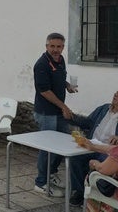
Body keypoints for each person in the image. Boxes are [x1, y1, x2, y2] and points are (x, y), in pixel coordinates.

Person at [68, 86, 118, 206]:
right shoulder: (103, 108)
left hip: (109, 151)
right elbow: (88, 122)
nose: (115, 94)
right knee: (75, 158)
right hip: (92, 145)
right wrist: (72, 117)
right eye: (116, 92)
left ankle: (99, 195)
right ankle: (80, 192)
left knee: (101, 164)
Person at [33, 32, 77, 197]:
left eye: (59, 46)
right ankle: (41, 182)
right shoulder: (41, 64)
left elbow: (59, 77)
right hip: (46, 113)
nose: (56, 50)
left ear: (63, 47)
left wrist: (67, 86)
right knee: (47, 149)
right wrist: (64, 106)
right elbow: (44, 90)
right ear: (46, 46)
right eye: (52, 46)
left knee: (62, 145)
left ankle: (51, 173)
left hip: (58, 111)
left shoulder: (60, 60)